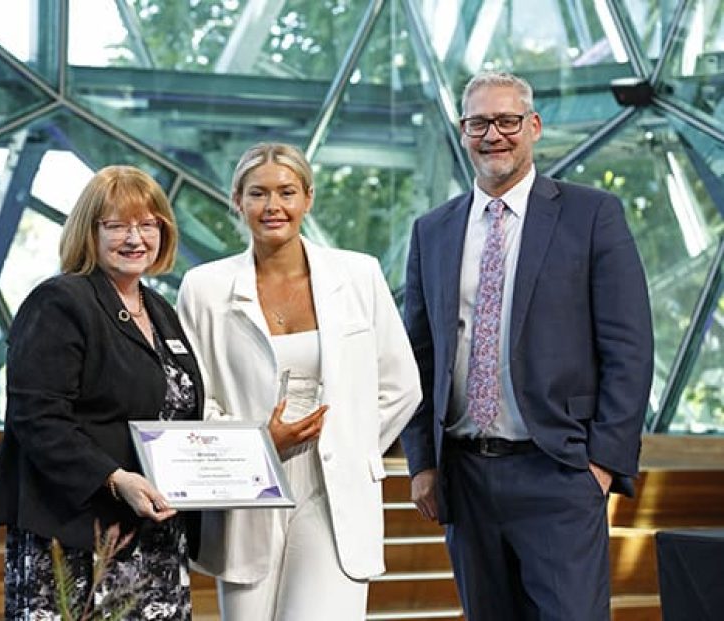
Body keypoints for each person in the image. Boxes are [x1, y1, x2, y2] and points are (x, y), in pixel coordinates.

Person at [399, 71, 654, 620]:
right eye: (479, 123)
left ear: (533, 126)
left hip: (558, 470)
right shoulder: (433, 231)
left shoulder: (591, 215)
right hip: (463, 477)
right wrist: (422, 462)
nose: (495, 134)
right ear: (462, 131)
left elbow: (629, 347)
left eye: (508, 120)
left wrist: (601, 465)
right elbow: (416, 357)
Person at [176, 142, 421, 620]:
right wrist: (257, 444)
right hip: (250, 485)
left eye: (286, 192)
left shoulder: (359, 275)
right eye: (258, 194)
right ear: (237, 200)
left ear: (308, 198)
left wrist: (350, 442)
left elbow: (400, 384)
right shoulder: (203, 288)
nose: (273, 207)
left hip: (333, 488)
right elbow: (192, 398)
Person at [0, 165, 204, 620]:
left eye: (148, 224)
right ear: (89, 231)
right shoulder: (60, 301)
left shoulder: (159, 308)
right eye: (118, 225)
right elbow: (37, 418)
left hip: (155, 537)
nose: (135, 238)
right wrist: (115, 478)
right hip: (76, 536)